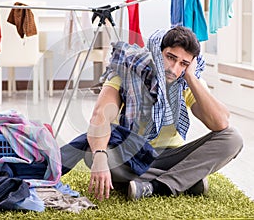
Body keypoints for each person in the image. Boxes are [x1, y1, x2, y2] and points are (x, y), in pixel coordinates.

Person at [60, 26, 243, 201]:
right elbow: (100, 115)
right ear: (158, 52)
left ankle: (157, 186)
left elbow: (220, 122)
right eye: (170, 57)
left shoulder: (187, 82)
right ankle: (186, 179)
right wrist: (100, 156)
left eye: (183, 63)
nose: (174, 68)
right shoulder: (127, 70)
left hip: (170, 156)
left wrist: (190, 77)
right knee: (94, 155)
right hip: (130, 155)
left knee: (232, 138)